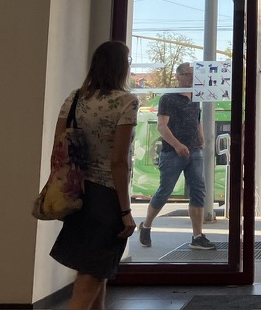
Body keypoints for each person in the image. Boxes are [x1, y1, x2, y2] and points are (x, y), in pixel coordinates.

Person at [48, 40, 138, 310]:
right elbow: (118, 162)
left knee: (94, 270)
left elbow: (59, 148)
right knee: (91, 277)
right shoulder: (126, 102)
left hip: (77, 193)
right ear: (121, 67)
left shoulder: (75, 98)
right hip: (106, 197)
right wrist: (125, 211)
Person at [138, 62, 216, 250]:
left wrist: (201, 137)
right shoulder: (168, 98)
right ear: (178, 76)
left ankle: (197, 236)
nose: (192, 78)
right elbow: (162, 126)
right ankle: (146, 225)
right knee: (165, 191)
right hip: (172, 153)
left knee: (198, 191)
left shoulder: (196, 97)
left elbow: (197, 120)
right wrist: (177, 145)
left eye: (194, 75)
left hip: (194, 151)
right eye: (188, 74)